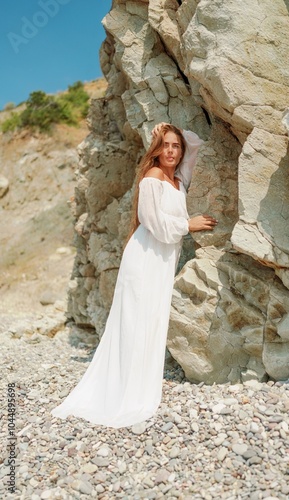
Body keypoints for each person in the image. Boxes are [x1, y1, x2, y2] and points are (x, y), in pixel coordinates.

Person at [51, 122, 217, 429]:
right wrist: (188, 225)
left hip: (161, 261)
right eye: (165, 145)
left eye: (175, 146)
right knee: (135, 322)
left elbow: (197, 144)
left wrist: (171, 129)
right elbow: (152, 223)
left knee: (151, 321)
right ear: (155, 150)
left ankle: (139, 385)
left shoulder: (179, 179)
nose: (171, 150)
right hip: (143, 260)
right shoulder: (152, 178)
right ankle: (126, 393)